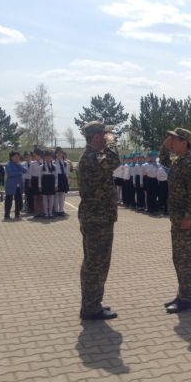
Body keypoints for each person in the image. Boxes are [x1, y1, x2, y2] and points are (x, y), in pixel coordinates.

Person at [78, 121, 120, 320]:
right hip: (97, 218)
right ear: (95, 137)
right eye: (104, 135)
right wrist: (112, 143)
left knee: (94, 262)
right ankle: (91, 307)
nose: (107, 137)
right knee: (97, 263)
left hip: (97, 217)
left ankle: (91, 303)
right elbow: (114, 161)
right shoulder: (92, 157)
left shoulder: (93, 156)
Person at [159, 127, 191, 314]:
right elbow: (163, 161)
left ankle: (186, 299)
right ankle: (181, 294)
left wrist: (187, 218)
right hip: (177, 219)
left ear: (184, 142)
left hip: (186, 221)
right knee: (178, 258)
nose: (171, 142)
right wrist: (164, 146)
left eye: (174, 139)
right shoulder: (178, 162)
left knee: (185, 259)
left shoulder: (189, 165)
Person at [4, 151, 27, 220]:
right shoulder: (8, 165)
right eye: (15, 157)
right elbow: (10, 173)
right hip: (10, 185)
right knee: (9, 200)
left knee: (19, 201)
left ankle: (17, 213)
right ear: (11, 157)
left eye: (18, 157)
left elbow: (25, 171)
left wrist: (19, 165)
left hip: (18, 185)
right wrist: (19, 173)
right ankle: (7, 214)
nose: (17, 158)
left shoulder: (19, 164)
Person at [39, 151, 57, 219]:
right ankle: (46, 213)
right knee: (45, 198)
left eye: (49, 157)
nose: (48, 159)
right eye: (46, 157)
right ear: (44, 158)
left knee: (51, 198)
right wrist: (39, 186)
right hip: (45, 182)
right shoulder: (41, 166)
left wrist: (56, 185)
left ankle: (50, 213)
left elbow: (56, 177)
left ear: (52, 158)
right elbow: (39, 177)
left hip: (51, 182)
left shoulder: (54, 166)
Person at [54, 147, 70, 216]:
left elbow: (67, 173)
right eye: (58, 153)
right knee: (56, 195)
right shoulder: (54, 163)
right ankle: (56, 210)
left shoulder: (65, 163)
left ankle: (61, 210)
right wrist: (55, 184)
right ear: (55, 154)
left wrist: (68, 182)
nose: (60, 154)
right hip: (56, 179)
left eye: (61, 153)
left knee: (62, 195)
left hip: (63, 179)